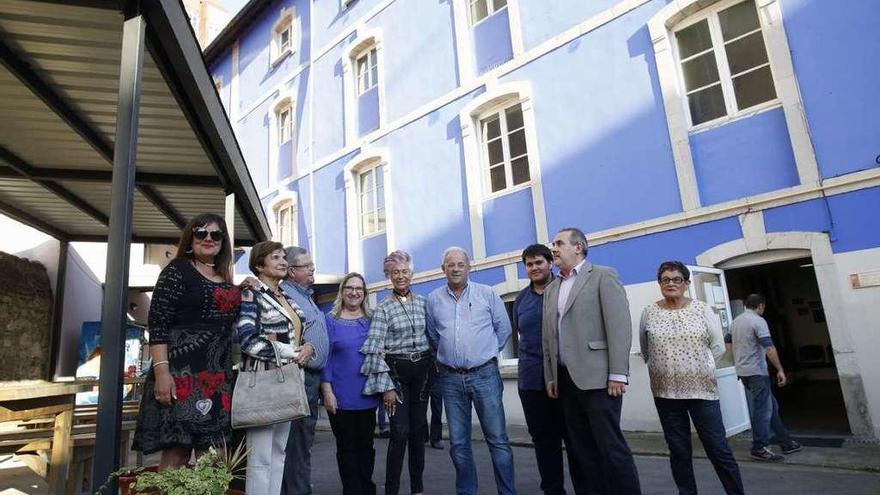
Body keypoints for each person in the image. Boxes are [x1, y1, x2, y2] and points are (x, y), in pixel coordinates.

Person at [133, 213, 240, 468]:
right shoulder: (177, 270)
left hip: (217, 377)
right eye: (201, 233)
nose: (209, 238)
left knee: (214, 457)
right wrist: (162, 374)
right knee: (177, 451)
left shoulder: (225, 278)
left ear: (223, 242)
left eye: (216, 234)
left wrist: (241, 290)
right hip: (180, 375)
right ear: (190, 239)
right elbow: (158, 325)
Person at [542, 227, 640, 495]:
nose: (554, 248)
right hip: (565, 381)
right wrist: (551, 376)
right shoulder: (552, 288)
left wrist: (618, 373)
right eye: (553, 243)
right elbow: (548, 337)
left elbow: (619, 326)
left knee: (610, 447)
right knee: (580, 450)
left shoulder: (602, 276)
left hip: (599, 379)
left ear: (578, 247)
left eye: (559, 243)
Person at [639, 261, 744, 495]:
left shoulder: (703, 309)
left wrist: (697, 367)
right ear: (659, 283)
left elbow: (718, 347)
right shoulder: (649, 312)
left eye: (676, 279)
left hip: (702, 392)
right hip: (665, 394)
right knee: (678, 452)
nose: (671, 284)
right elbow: (646, 350)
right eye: (665, 279)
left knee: (718, 449)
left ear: (686, 283)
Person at [426, 247, 516, 495]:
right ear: (443, 268)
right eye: (450, 264)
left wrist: (485, 352)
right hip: (451, 379)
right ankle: (466, 492)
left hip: (485, 375)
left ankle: (507, 492)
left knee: (497, 440)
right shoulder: (433, 299)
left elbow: (503, 329)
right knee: (458, 444)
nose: (455, 268)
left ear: (469, 267)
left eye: (460, 264)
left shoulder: (487, 294)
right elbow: (433, 335)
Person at [236, 241, 310, 495]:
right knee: (260, 459)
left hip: (287, 380)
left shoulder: (285, 295)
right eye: (275, 257)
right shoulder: (251, 293)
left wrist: (307, 347)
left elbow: (296, 334)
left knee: (279, 453)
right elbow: (247, 340)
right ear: (259, 265)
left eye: (283, 257)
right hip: (263, 380)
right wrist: (292, 352)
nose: (283, 261)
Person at [360, 250, 431, 495]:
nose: (400, 277)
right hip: (397, 375)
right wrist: (386, 386)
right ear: (389, 276)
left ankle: (417, 489)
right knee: (400, 433)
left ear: (411, 274)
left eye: (404, 272)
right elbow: (374, 349)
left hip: (422, 373)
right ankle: (392, 490)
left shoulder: (424, 302)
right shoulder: (383, 308)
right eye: (395, 273)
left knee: (418, 430)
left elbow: (432, 337)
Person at [514, 244, 583, 495]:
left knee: (575, 440)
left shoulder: (564, 290)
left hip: (566, 380)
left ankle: (584, 489)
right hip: (532, 382)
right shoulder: (520, 299)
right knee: (544, 442)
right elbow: (520, 334)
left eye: (539, 262)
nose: (534, 268)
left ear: (550, 263)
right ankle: (553, 490)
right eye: (529, 264)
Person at [321, 273, 378, 495]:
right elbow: (325, 358)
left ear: (364, 293)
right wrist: (327, 391)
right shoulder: (330, 320)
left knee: (367, 448)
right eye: (350, 288)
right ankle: (352, 490)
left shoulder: (372, 319)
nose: (354, 292)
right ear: (342, 291)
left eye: (359, 289)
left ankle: (367, 488)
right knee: (346, 449)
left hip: (368, 395)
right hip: (340, 397)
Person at [280, 246, 329, 495]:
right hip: (297, 377)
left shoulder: (305, 295)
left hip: (311, 378)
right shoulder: (285, 296)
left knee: (302, 442)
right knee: (296, 443)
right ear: (290, 271)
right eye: (306, 266)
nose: (312, 269)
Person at [730, 294, 802, 461]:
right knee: (763, 410)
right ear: (760, 306)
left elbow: (728, 342)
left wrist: (736, 359)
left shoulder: (736, 321)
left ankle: (786, 442)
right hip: (757, 372)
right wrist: (780, 370)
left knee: (771, 407)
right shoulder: (758, 321)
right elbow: (769, 348)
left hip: (743, 372)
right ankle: (759, 447)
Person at [424, 366, 444, 450]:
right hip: (423, 372)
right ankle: (422, 436)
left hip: (437, 373)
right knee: (421, 407)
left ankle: (436, 438)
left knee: (437, 408)